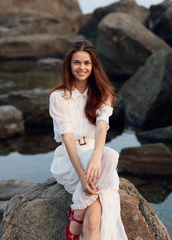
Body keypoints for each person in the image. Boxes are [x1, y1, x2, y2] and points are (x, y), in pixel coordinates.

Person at [49, 40, 128, 240]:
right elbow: (67, 138)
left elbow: (102, 127)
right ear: (69, 65)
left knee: (93, 222)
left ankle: (77, 215)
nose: (81, 68)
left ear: (93, 66)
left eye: (86, 63)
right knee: (109, 156)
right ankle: (78, 212)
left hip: (94, 159)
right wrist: (82, 177)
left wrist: (95, 157)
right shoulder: (59, 97)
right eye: (77, 63)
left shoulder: (103, 94)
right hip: (71, 159)